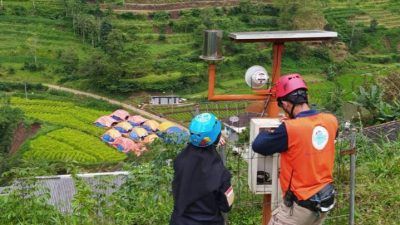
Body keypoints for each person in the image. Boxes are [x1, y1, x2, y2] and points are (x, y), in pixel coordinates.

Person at [252, 74, 338, 225]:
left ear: (285, 104)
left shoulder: (289, 129)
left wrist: (273, 130)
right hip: (324, 199)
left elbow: (259, 145)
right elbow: (313, 133)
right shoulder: (331, 120)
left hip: (299, 207)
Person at [170, 113, 234, 225]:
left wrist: (212, 142)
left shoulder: (180, 160)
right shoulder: (220, 173)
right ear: (217, 137)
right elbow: (226, 206)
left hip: (179, 221)